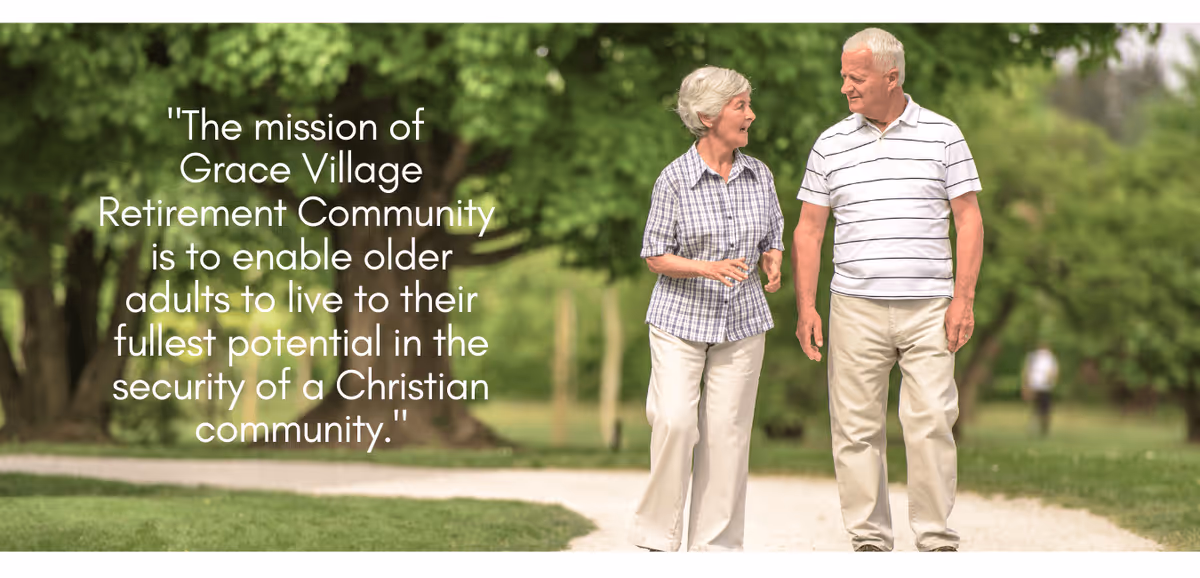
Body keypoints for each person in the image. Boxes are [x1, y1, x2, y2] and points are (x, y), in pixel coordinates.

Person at [791, 28, 985, 553]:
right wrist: (806, 306)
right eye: (843, 77)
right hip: (853, 306)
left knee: (931, 422)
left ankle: (935, 538)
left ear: (890, 77)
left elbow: (969, 221)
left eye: (854, 78)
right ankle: (870, 541)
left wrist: (963, 299)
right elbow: (809, 229)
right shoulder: (830, 143)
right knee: (854, 429)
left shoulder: (944, 135)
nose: (844, 88)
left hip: (929, 307)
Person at [629, 65, 784, 552]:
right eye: (741, 106)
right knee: (675, 420)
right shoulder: (673, 180)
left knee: (728, 437)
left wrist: (772, 257)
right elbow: (655, 255)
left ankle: (714, 552)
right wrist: (705, 267)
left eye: (747, 104)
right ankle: (658, 538)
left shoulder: (759, 174)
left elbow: (773, 231)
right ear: (707, 115)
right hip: (679, 321)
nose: (751, 116)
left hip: (742, 321)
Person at [1022, 342, 1059, 437]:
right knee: (1036, 408)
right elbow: (1027, 371)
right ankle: (1036, 427)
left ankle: (1044, 428)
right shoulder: (1033, 357)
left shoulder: (1050, 358)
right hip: (1034, 386)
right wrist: (1026, 385)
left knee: (1045, 409)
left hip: (1045, 387)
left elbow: (1054, 372)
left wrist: (1049, 380)